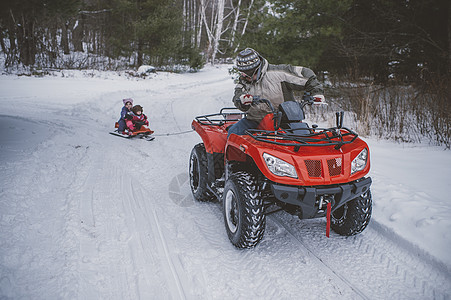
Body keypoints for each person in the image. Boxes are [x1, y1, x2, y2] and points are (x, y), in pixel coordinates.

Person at [228, 48, 326, 137]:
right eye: (242, 72)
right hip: (254, 120)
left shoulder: (280, 73)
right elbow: (237, 97)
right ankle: (230, 157)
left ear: (256, 69)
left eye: (248, 73)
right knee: (233, 134)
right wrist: (242, 100)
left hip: (284, 120)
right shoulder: (244, 82)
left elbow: (306, 75)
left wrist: (316, 93)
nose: (243, 76)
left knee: (303, 139)